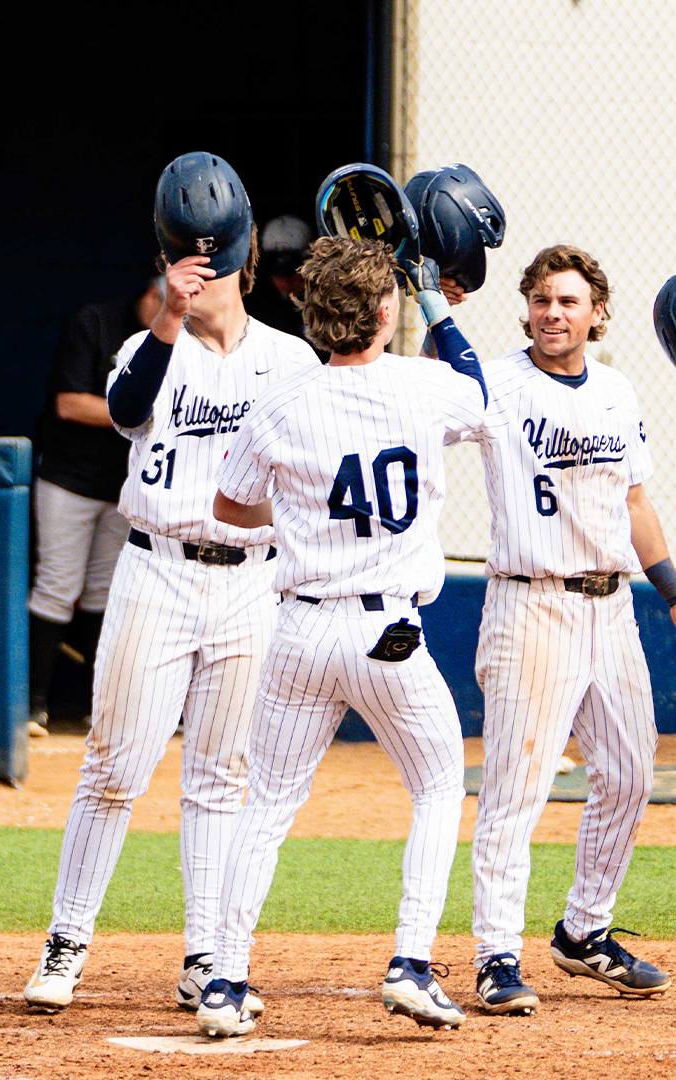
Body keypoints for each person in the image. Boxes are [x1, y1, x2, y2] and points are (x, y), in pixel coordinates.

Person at [20, 153, 315, 1016]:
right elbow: (122, 410)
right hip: (157, 574)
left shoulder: (291, 359)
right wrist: (170, 322)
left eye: (213, 255)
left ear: (243, 252)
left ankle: (206, 957)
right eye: (185, 258)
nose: (202, 269)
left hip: (251, 585)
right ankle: (67, 942)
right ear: (165, 257)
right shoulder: (147, 350)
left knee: (221, 776)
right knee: (114, 766)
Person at [194, 235, 489, 1038]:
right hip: (387, 628)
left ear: (313, 316)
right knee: (436, 790)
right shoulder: (426, 384)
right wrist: (438, 308)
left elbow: (228, 508)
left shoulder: (284, 400)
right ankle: (412, 964)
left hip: (298, 628)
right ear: (385, 312)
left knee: (268, 806)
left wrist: (291, 514)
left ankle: (224, 981)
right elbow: (480, 396)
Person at [466, 245, 676, 1016]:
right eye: (541, 299)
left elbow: (634, 503)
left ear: (598, 313)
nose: (553, 313)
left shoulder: (614, 390)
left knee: (631, 772)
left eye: (569, 301)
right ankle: (494, 956)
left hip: (611, 608)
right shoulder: (496, 385)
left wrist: (675, 596)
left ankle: (583, 932)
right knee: (518, 788)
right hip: (530, 603)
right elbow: (424, 410)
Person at [28, 276, 164, 739]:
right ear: (151, 296)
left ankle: (98, 709)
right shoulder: (96, 322)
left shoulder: (179, 337)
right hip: (68, 480)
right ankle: (31, 707)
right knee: (55, 587)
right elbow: (69, 404)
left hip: (121, 487)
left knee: (105, 596)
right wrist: (141, 412)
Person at [242, 214, 310, 341]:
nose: (285, 281)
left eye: (294, 271)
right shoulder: (252, 310)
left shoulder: (323, 309)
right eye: (277, 272)